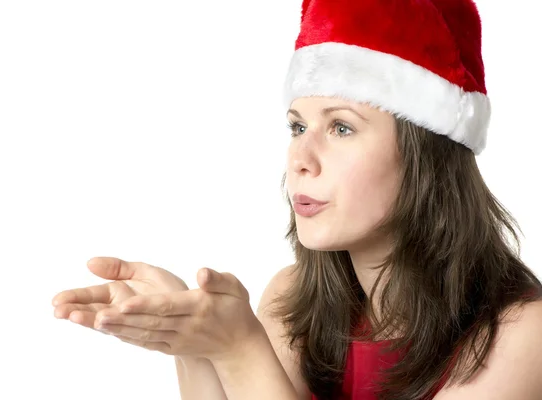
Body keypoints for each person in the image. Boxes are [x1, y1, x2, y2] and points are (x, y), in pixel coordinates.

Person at [52, 0, 542, 399]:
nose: (300, 158)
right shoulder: (293, 296)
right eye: (297, 127)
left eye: (342, 126)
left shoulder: (523, 335)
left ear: (426, 155)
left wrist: (240, 351)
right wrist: (192, 341)